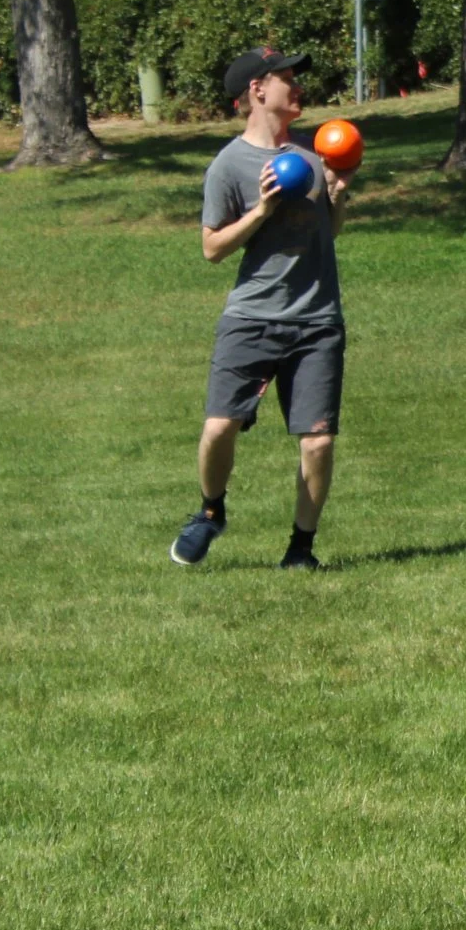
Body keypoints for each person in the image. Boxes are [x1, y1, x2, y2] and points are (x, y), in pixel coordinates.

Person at [170, 48, 353, 570]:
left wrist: (338, 197)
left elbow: (329, 233)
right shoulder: (229, 166)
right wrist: (264, 209)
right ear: (257, 91)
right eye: (286, 80)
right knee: (219, 428)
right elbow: (212, 248)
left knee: (318, 442)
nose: (297, 88)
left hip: (317, 320)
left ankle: (300, 550)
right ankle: (209, 512)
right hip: (251, 317)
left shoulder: (314, 155)